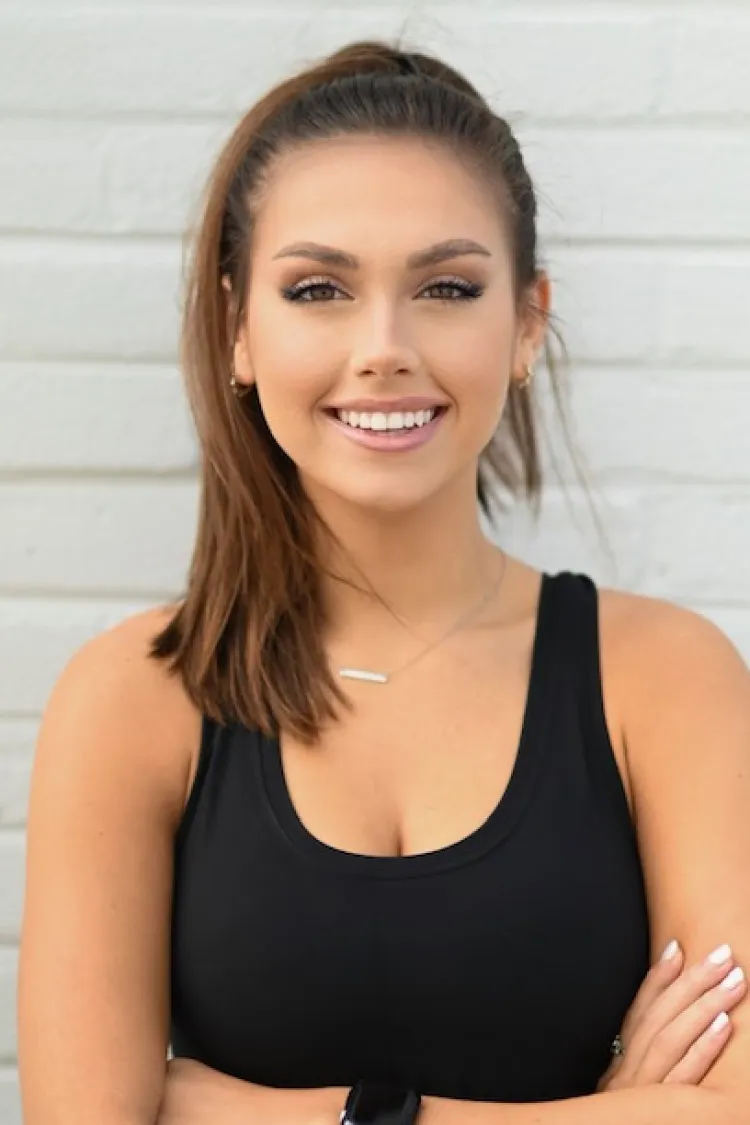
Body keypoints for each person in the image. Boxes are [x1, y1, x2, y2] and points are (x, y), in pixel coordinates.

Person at [17, 37, 750, 1125]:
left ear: (526, 325)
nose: (384, 347)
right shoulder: (131, 699)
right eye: (318, 289)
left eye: (447, 287)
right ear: (238, 332)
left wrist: (235, 1107)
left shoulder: (667, 678)